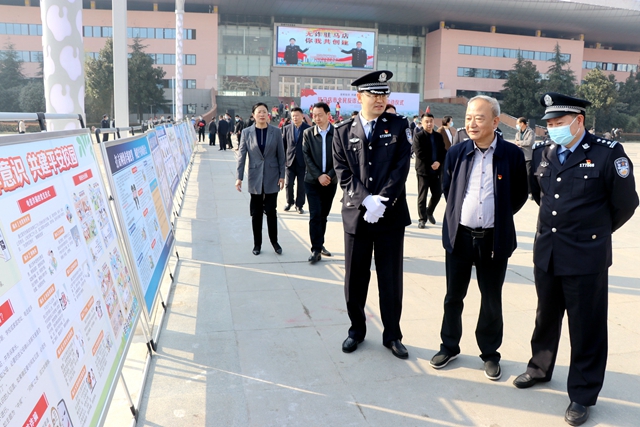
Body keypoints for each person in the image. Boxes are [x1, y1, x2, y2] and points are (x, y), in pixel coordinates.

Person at [513, 92, 638, 426]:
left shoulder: (607, 154)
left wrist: (592, 231)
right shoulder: (543, 152)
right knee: (546, 316)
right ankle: (539, 368)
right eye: (549, 124)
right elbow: (539, 195)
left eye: (558, 123)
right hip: (548, 251)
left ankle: (582, 393)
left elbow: (625, 203)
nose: (552, 129)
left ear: (578, 121)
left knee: (586, 326)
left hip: (586, 256)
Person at [431, 95, 528, 381]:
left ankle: (489, 353)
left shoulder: (511, 154)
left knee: (491, 298)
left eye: (479, 118)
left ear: (496, 122)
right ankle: (449, 346)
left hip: (494, 240)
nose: (471, 123)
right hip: (460, 237)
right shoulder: (457, 152)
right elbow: (449, 190)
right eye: (469, 117)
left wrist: (495, 216)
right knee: (453, 297)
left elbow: (519, 195)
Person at [332, 70, 412, 359]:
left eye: (383, 94)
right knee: (355, 278)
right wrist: (367, 201)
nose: (380, 99)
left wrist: (383, 201)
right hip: (357, 216)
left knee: (390, 279)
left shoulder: (399, 126)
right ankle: (356, 330)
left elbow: (401, 168)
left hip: (390, 217)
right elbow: (342, 173)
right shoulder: (342, 131)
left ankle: (392, 335)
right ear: (359, 97)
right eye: (373, 94)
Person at [235, 102, 286, 256]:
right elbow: (241, 156)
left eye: (264, 111)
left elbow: (281, 156)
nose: (262, 114)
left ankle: (275, 242)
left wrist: (282, 175)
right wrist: (239, 178)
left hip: (272, 177)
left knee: (271, 211)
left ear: (268, 114)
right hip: (254, 177)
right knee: (256, 213)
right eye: (259, 112)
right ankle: (257, 244)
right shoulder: (246, 132)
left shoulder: (276, 132)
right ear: (254, 115)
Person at [302, 102, 338, 263]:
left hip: (331, 182)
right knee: (315, 214)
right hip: (312, 181)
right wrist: (319, 176)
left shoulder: (338, 133)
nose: (316, 118)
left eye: (319, 115)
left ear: (328, 115)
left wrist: (328, 176)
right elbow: (306, 156)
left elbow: (341, 157)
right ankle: (315, 249)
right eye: (313, 115)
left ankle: (320, 243)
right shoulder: (308, 133)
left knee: (323, 215)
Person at [413, 113, 446, 228]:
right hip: (423, 170)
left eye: (431, 121)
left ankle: (429, 211)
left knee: (437, 193)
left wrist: (439, 162)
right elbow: (419, 153)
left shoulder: (438, 136)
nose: (429, 123)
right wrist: (432, 163)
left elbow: (443, 151)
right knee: (422, 195)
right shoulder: (419, 136)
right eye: (426, 121)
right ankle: (422, 219)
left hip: (436, 170)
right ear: (422, 123)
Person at [282, 107, 310, 214]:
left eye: (297, 115)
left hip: (303, 162)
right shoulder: (287, 128)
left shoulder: (308, 129)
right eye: (293, 116)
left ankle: (299, 205)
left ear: (302, 116)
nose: (295, 118)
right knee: (288, 184)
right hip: (289, 162)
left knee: (301, 185)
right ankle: (289, 202)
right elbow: (283, 145)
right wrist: (283, 159)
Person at [514, 117, 535, 198]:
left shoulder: (530, 132)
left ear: (522, 123)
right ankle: (522, 190)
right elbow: (515, 142)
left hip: (528, 156)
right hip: (520, 156)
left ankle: (530, 192)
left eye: (518, 123)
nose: (517, 125)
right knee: (520, 174)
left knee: (528, 174)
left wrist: (519, 142)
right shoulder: (518, 133)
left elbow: (530, 142)